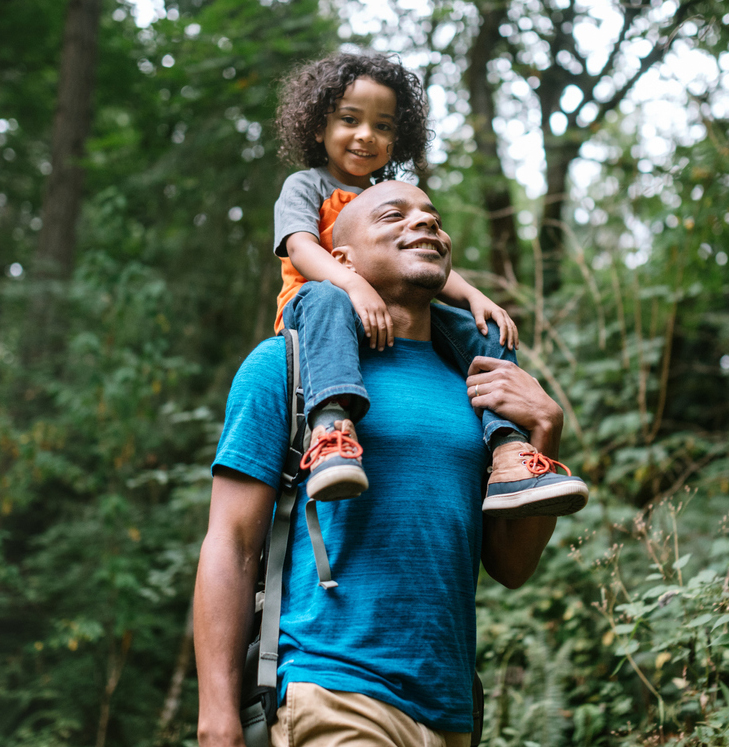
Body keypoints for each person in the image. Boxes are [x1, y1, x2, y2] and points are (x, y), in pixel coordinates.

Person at [195, 181, 582, 747]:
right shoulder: (284, 365)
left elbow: (511, 567)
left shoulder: (479, 383)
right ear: (342, 258)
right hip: (332, 689)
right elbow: (229, 542)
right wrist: (218, 716)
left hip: (451, 713)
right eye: (394, 215)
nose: (425, 223)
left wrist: (545, 432)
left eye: (433, 216)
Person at [271, 51, 587, 515]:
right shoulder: (307, 185)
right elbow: (300, 248)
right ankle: (332, 428)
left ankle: (508, 452)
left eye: (383, 126)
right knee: (325, 296)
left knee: (484, 330)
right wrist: (352, 285)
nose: (366, 135)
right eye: (349, 120)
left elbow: (423, 262)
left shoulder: (390, 193)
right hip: (320, 311)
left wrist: (475, 297)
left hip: (392, 313)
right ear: (319, 127)